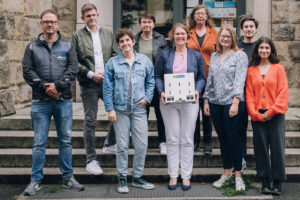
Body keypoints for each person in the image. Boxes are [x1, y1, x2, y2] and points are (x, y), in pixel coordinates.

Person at [22, 9, 84, 196]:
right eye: (46, 21)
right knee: (39, 143)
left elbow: (73, 69)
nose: (49, 24)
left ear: (58, 24)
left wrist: (57, 85)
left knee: (65, 141)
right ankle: (35, 180)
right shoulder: (32, 47)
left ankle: (67, 178)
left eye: (53, 21)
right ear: (41, 24)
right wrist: (44, 87)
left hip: (63, 100)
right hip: (40, 101)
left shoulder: (67, 45)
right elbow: (27, 70)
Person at [103, 28, 155, 193]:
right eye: (121, 41)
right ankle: (122, 178)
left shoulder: (144, 61)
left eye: (128, 40)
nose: (125, 43)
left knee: (141, 145)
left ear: (133, 42)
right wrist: (110, 109)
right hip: (120, 110)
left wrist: (147, 98)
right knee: (123, 146)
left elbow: (151, 81)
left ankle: (137, 177)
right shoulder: (112, 63)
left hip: (139, 110)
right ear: (119, 45)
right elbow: (107, 87)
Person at [156, 23, 206, 191]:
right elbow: (157, 76)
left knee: (187, 139)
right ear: (173, 36)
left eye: (182, 34)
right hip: (169, 102)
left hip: (190, 102)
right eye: (177, 34)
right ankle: (173, 175)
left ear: (187, 36)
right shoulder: (164, 54)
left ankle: (185, 175)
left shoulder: (196, 56)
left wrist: (198, 90)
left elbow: (201, 77)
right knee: (172, 139)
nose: (180, 37)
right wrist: (161, 91)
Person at [71, 3, 118, 176]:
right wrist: (90, 74)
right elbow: (73, 61)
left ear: (98, 15)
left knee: (118, 111)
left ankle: (110, 143)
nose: (91, 18)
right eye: (87, 16)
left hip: (107, 82)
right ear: (83, 18)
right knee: (90, 121)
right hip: (88, 83)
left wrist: (108, 71)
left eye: (93, 15)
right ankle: (91, 160)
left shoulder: (108, 33)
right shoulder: (76, 36)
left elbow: (114, 54)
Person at [203, 24, 248, 191]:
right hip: (215, 103)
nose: (225, 38)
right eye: (223, 36)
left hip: (232, 104)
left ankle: (238, 176)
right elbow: (210, 80)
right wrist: (206, 100)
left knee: (234, 139)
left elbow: (240, 79)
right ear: (218, 38)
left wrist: (236, 102)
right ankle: (227, 173)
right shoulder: (215, 55)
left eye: (229, 36)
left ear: (233, 38)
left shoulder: (239, 55)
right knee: (223, 140)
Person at [246, 37, 289, 196]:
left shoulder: (278, 69)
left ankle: (277, 182)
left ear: (271, 50)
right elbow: (249, 94)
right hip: (258, 115)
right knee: (261, 149)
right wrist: (254, 113)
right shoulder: (251, 70)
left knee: (277, 148)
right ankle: (264, 180)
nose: (264, 50)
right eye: (261, 48)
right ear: (257, 50)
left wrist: (271, 112)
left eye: (267, 48)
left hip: (276, 115)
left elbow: (283, 93)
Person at [134, 13, 169, 155]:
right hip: (140, 82)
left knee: (161, 114)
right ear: (140, 24)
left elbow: (166, 59)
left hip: (157, 80)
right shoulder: (135, 39)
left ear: (153, 24)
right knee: (143, 113)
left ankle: (163, 142)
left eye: (149, 22)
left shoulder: (160, 39)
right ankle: (143, 142)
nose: (147, 25)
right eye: (144, 22)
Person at [187, 5, 217, 153]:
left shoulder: (214, 33)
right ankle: (194, 141)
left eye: (203, 14)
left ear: (206, 17)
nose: (200, 16)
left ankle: (207, 142)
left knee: (207, 111)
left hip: (209, 76)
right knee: (193, 110)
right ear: (193, 17)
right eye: (197, 14)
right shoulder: (188, 33)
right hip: (191, 77)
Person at [237, 16, 259, 171]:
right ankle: (242, 158)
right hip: (242, 95)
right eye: (246, 26)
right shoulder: (237, 46)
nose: (249, 29)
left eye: (251, 26)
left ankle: (261, 159)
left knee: (260, 129)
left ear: (256, 29)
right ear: (242, 29)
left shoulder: (262, 46)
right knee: (241, 128)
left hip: (259, 94)